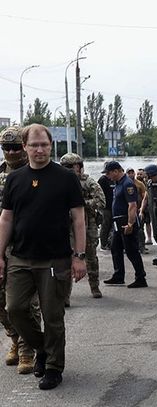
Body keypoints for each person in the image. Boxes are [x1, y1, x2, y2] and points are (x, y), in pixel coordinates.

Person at [0, 124, 87, 390]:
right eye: (34, 145)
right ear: (25, 148)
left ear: (51, 146)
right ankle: (43, 349)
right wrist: (0, 254)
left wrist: (79, 256)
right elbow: (6, 218)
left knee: (52, 316)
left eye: (44, 145)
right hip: (20, 258)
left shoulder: (65, 178)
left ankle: (53, 367)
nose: (39, 150)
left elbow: (78, 218)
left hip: (55, 259)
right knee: (13, 309)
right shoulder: (15, 179)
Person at [0, 126, 38, 375]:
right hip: (1, 243)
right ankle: (14, 338)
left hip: (26, 246)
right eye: (6, 148)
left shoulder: (36, 172)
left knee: (25, 302)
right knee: (2, 302)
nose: (11, 152)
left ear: (24, 146)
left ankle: (28, 348)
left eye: (15, 147)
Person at [60, 153, 105, 304]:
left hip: (88, 223)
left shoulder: (88, 182)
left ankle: (94, 287)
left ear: (79, 167)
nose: (67, 170)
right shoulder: (59, 182)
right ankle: (65, 295)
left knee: (91, 257)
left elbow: (101, 201)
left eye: (70, 167)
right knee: (66, 259)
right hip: (66, 225)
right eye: (64, 167)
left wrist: (79, 204)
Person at [102, 161, 148, 289]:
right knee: (115, 248)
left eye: (108, 173)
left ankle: (140, 277)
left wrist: (130, 224)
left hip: (126, 222)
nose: (107, 176)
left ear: (116, 171)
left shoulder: (128, 184)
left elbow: (132, 205)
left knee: (131, 250)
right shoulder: (118, 184)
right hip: (118, 221)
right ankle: (118, 276)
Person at [127, 168, 148, 254]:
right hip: (128, 210)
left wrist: (142, 210)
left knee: (140, 229)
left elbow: (145, 198)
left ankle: (142, 247)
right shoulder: (124, 184)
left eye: (132, 172)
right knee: (128, 229)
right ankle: (129, 247)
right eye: (129, 173)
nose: (131, 174)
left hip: (138, 209)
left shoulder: (140, 184)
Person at [98, 168, 115, 250]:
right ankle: (103, 244)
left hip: (114, 206)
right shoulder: (102, 180)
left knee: (113, 226)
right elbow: (98, 193)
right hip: (105, 208)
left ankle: (110, 242)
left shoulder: (114, 180)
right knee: (105, 225)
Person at [136, 168, 153, 245]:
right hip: (138, 206)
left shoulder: (147, 183)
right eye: (138, 174)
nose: (139, 175)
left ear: (144, 174)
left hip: (147, 206)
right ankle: (140, 241)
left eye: (141, 174)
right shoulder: (134, 183)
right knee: (140, 224)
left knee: (148, 222)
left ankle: (149, 238)